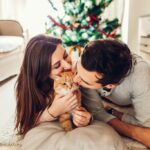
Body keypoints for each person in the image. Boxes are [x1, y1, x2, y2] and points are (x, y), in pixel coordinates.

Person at [15, 35, 127, 150]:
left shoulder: (78, 72)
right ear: (41, 71)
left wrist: (86, 117)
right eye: (57, 65)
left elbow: (94, 109)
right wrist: (52, 112)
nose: (68, 65)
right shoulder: (29, 86)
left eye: (65, 55)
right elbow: (25, 121)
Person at [74, 39, 150, 148]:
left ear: (110, 85)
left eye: (85, 81)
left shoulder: (140, 77)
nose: (75, 80)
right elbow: (97, 112)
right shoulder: (87, 66)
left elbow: (145, 126)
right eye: (77, 70)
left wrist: (116, 113)